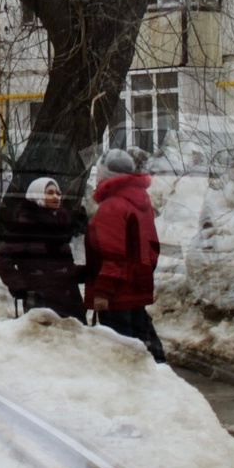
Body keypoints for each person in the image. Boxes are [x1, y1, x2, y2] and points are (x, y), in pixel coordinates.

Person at [84, 148, 165, 362]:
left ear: (106, 175)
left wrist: (103, 291)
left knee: (123, 357)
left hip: (116, 294)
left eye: (99, 173)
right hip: (135, 288)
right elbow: (152, 249)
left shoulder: (112, 206)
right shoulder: (142, 202)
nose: (96, 178)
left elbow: (113, 255)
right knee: (143, 352)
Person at [0, 175, 86, 318]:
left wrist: (85, 272)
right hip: (42, 302)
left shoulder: (59, 225)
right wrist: (21, 288)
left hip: (69, 301)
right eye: (50, 193)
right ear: (37, 196)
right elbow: (2, 261)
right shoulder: (25, 227)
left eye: (58, 193)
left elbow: (62, 266)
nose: (56, 197)